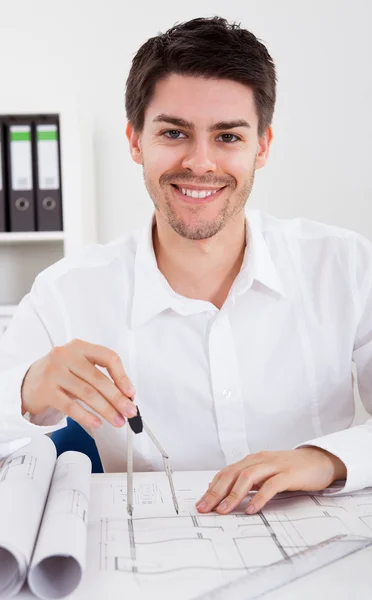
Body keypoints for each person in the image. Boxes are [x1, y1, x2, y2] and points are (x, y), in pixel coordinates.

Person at [1, 16, 372, 517]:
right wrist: (26, 389)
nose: (200, 162)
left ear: (261, 146)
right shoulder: (66, 293)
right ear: (135, 141)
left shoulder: (344, 266)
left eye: (228, 137)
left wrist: (326, 459)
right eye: (175, 132)